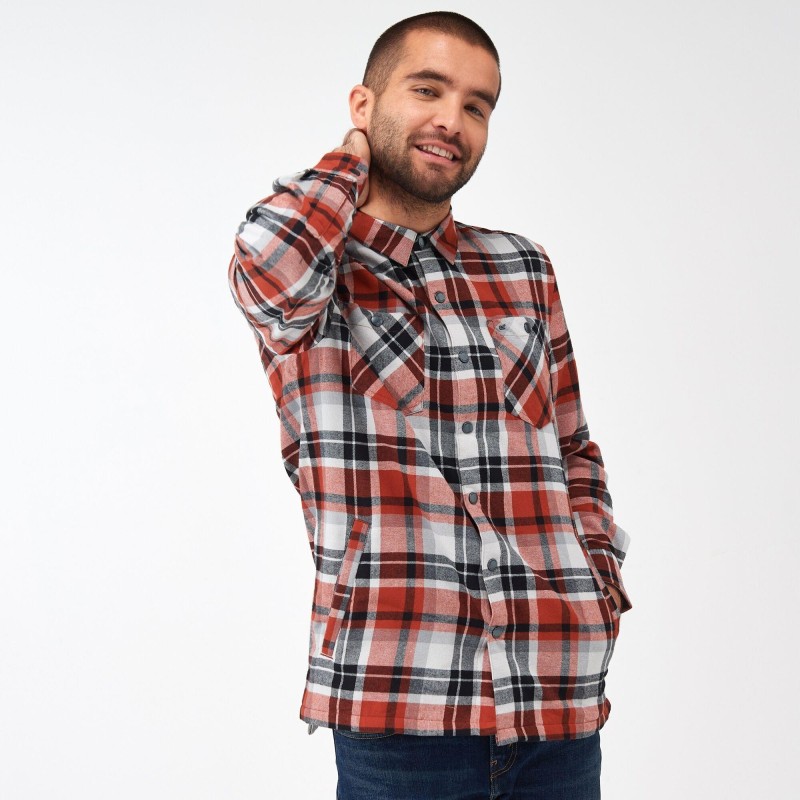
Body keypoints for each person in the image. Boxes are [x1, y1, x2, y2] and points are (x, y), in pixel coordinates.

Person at [228, 11, 633, 799]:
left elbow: (572, 447)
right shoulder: (312, 270)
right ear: (364, 103)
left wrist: (598, 588)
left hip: (557, 702)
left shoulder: (522, 267)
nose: (454, 119)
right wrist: (353, 158)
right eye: (427, 90)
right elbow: (271, 264)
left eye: (478, 105)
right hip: (400, 705)